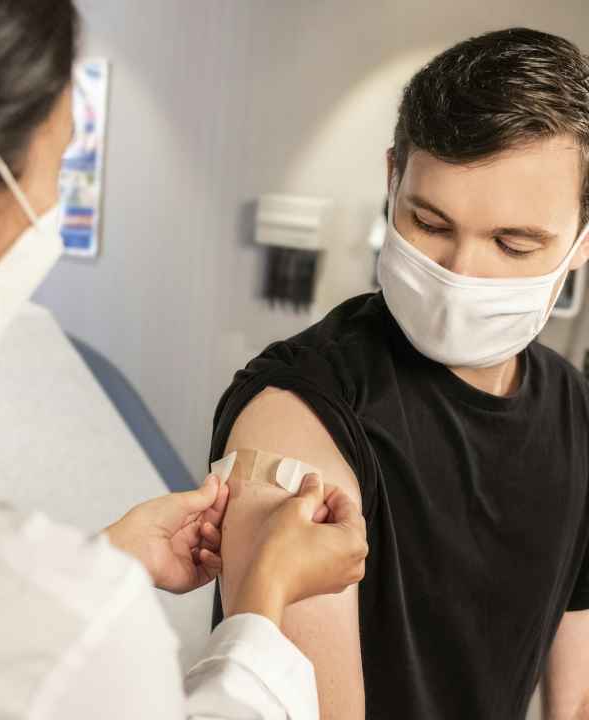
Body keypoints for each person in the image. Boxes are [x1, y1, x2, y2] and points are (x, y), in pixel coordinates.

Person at [0, 2, 369, 718]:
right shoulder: (75, 621)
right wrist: (262, 599)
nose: (52, 202)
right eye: (63, 161)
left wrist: (104, 558)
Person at [210, 27, 589, 720]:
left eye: (513, 243)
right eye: (429, 221)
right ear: (393, 179)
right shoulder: (297, 413)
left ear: (582, 241)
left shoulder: (579, 414)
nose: (460, 273)